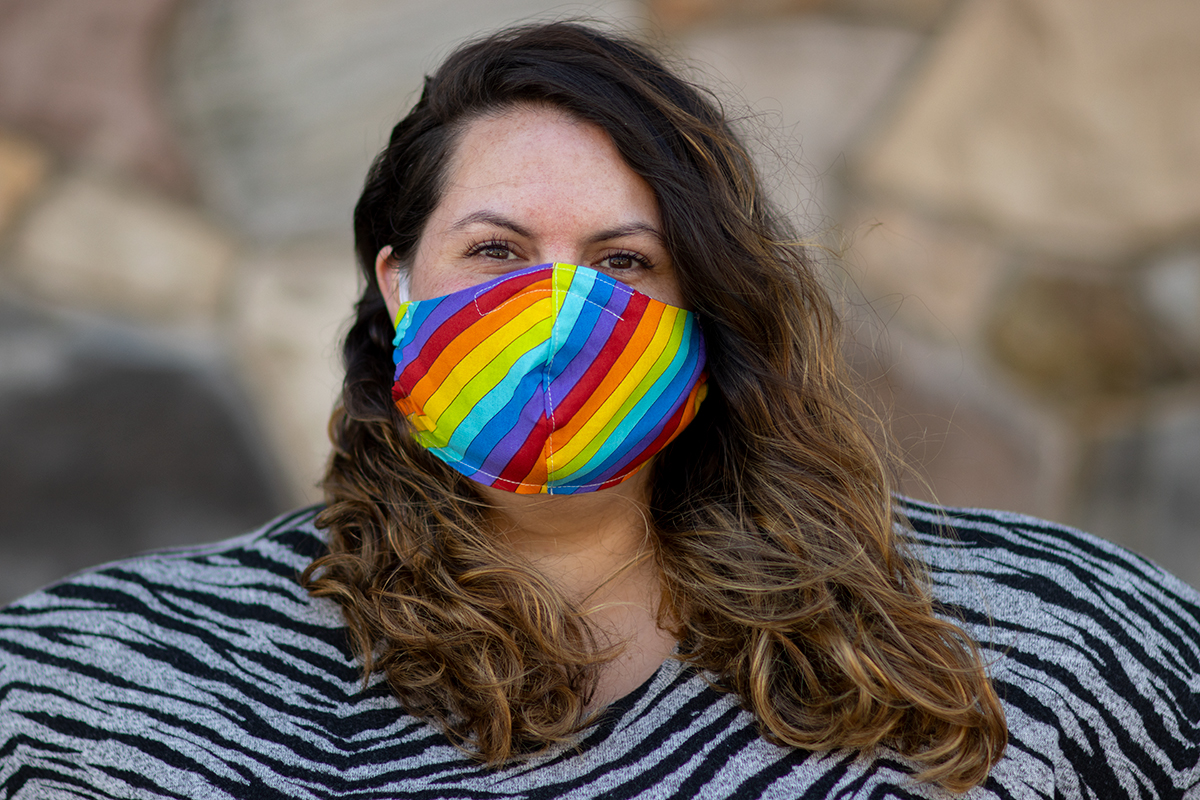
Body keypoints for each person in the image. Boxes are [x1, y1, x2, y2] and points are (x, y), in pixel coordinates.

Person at [1, 21, 1198, 800]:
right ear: (396, 283)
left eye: (623, 263)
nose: (558, 314)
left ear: (708, 310)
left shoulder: (1046, 644)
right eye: (497, 249)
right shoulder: (107, 683)